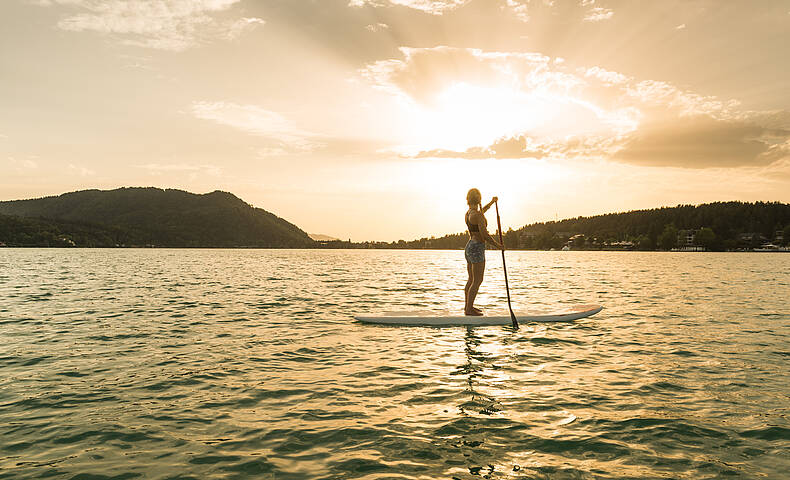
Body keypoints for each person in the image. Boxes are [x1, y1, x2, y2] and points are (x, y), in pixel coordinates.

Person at [464, 188, 502, 316]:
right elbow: (484, 234)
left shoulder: (469, 213)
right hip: (477, 247)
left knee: (471, 279)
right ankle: (469, 309)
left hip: (469, 246)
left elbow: (482, 212)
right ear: (479, 199)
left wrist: (491, 203)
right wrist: (498, 245)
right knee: (477, 280)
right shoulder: (478, 215)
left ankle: (468, 306)